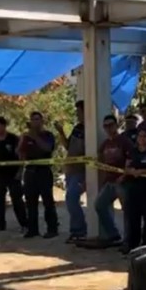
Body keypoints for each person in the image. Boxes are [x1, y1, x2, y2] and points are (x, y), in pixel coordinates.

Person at [85, 114, 133, 247]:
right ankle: (113, 234)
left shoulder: (124, 141)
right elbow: (100, 162)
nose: (108, 128)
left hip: (123, 182)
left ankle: (128, 240)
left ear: (116, 125)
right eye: (105, 126)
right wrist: (102, 181)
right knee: (99, 205)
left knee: (127, 212)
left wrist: (123, 176)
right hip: (109, 182)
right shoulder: (105, 144)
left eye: (111, 125)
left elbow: (130, 160)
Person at [20, 111, 58, 239]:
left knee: (48, 201)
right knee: (30, 202)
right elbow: (21, 155)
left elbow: (48, 148)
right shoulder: (27, 137)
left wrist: (35, 136)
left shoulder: (48, 135)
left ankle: (52, 228)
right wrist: (22, 140)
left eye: (37, 119)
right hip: (30, 172)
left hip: (44, 171)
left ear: (42, 121)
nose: (35, 122)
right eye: (33, 119)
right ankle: (32, 229)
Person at [0, 117, 28, 232]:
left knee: (17, 200)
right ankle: (0, 224)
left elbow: (21, 157)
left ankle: (24, 224)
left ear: (4, 126)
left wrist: (20, 172)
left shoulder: (13, 139)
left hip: (13, 175)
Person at [55, 100, 87, 243]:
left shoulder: (90, 129)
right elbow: (68, 145)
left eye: (79, 111)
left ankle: (79, 230)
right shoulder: (77, 128)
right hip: (71, 170)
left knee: (71, 199)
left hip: (81, 171)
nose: (77, 114)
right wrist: (61, 132)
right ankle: (77, 230)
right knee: (70, 199)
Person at [123, 128, 146, 252]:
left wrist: (142, 171)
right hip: (133, 188)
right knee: (133, 219)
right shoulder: (133, 151)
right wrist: (131, 171)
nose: (142, 139)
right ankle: (132, 245)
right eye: (140, 136)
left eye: (144, 136)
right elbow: (126, 167)